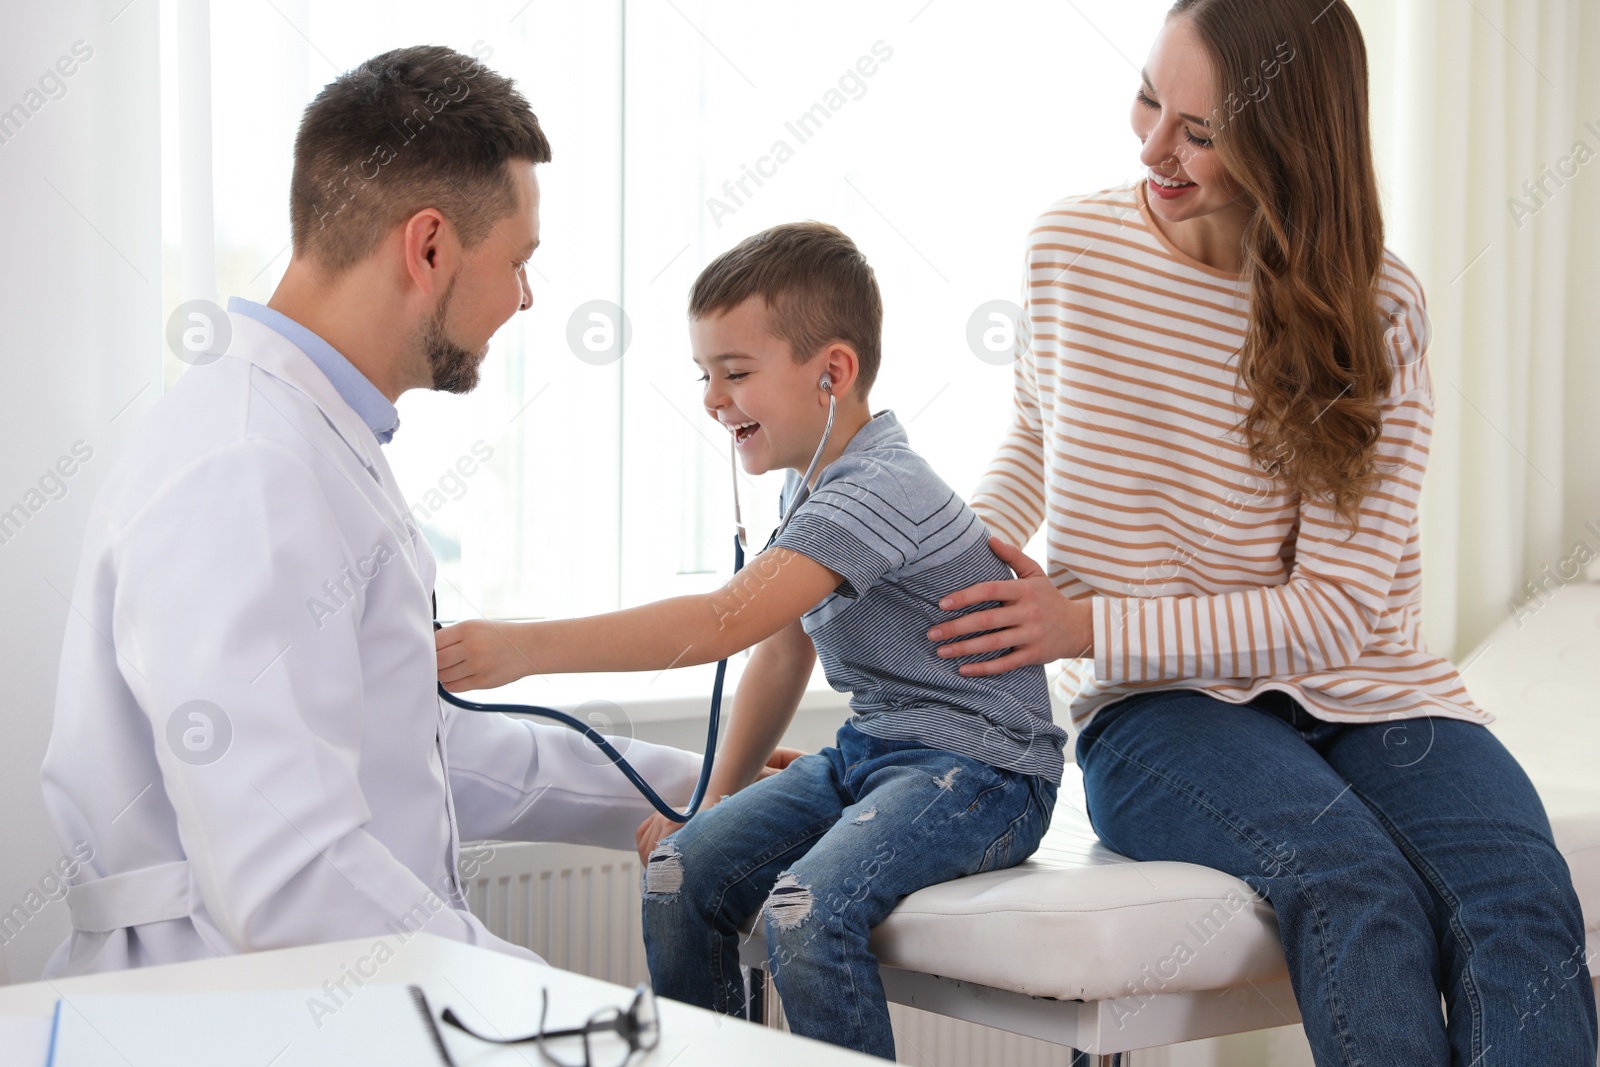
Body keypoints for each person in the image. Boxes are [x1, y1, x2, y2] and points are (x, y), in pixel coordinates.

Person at [927, 1, 1599, 1062]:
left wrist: (1082, 620)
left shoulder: (1376, 307)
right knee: (1355, 880)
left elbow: (1333, 615)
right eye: (1150, 97)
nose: (1153, 145)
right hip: (1161, 708)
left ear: (1292, 137)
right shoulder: (1072, 248)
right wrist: (945, 567)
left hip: (1369, 688)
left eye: (1198, 130)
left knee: (1519, 897)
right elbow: (1034, 433)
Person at [39, 45, 706, 978]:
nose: (523, 298)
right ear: (428, 246)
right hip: (204, 1009)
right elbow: (290, 882)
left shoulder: (305, 438)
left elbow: (425, 749)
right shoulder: (248, 465)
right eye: (519, 262)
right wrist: (549, 1006)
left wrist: (698, 784)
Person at [435, 221, 1066, 1059]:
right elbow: (779, 649)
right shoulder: (814, 492)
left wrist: (519, 648)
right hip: (875, 753)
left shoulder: (878, 490)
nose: (710, 398)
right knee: (678, 873)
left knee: (809, 906)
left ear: (832, 373)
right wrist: (713, 798)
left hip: (985, 771)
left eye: (735, 373)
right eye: (704, 375)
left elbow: (723, 621)